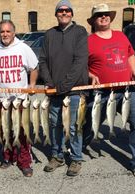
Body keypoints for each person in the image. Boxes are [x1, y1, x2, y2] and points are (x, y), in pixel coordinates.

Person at [84, 3, 135, 179]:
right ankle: (77, 147)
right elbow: (81, 65)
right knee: (89, 125)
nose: (104, 17)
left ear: (110, 18)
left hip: (126, 90)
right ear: (94, 20)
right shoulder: (88, 41)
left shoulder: (121, 36)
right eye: (100, 15)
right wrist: (90, 75)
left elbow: (130, 56)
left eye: (106, 14)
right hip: (102, 93)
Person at [39, 0, 89, 177]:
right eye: (61, 10)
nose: (64, 13)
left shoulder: (80, 32)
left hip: (74, 90)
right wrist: (49, 81)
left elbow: (80, 61)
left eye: (68, 10)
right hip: (55, 91)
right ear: (56, 14)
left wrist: (63, 86)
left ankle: (76, 158)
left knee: (74, 126)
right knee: (55, 125)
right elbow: (43, 60)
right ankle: (57, 156)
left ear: (72, 14)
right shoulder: (49, 34)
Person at [0, 20, 38, 177]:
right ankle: (8, 157)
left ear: (14, 32)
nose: (5, 34)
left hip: (19, 99)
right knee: (4, 130)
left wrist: (32, 84)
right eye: (2, 31)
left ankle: (24, 161)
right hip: (2, 99)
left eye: (8, 31)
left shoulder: (23, 48)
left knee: (22, 131)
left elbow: (34, 68)